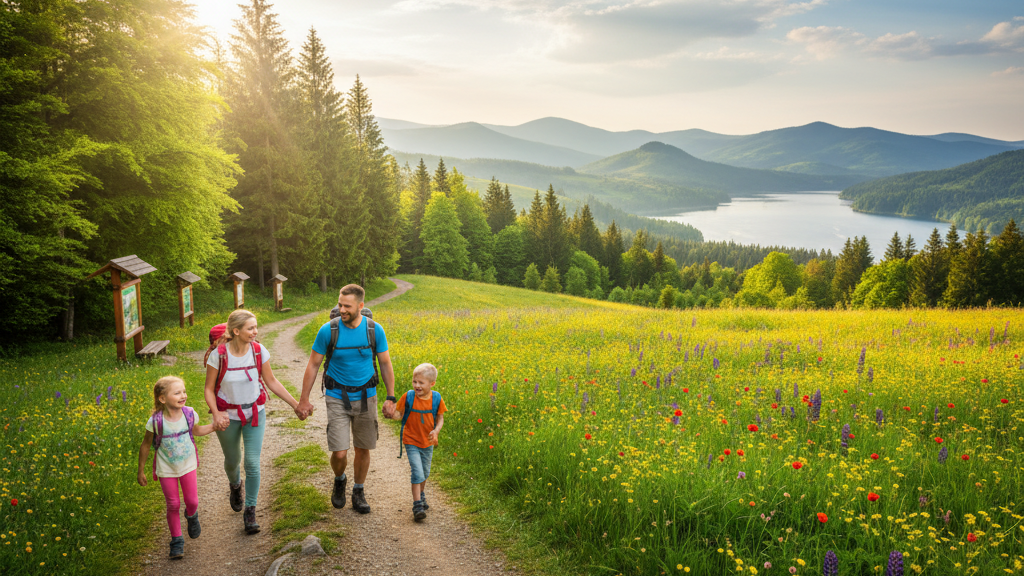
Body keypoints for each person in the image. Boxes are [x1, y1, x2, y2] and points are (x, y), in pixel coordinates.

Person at [296, 284, 397, 514]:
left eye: (347, 306)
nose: (341, 309)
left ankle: (358, 490)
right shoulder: (328, 330)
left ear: (360, 306)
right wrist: (304, 399)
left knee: (363, 448)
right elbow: (313, 364)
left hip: (366, 395)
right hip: (336, 395)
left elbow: (385, 363)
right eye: (340, 304)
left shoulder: (374, 330)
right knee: (339, 451)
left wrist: (390, 397)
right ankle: (339, 478)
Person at [205, 309, 305, 534]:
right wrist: (215, 413)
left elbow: (272, 382)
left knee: (251, 462)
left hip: (255, 413)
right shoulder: (219, 355)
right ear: (236, 331)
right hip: (227, 416)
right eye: (250, 328)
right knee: (233, 461)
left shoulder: (259, 351)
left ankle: (250, 510)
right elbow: (208, 389)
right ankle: (235, 485)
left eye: (256, 327)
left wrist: (296, 405)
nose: (255, 332)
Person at [137, 376, 215, 559]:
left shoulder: (189, 414)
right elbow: (146, 445)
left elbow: (196, 431)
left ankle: (191, 515)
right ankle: (177, 540)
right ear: (162, 399)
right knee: (173, 504)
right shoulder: (156, 421)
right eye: (177, 393)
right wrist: (140, 471)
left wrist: (214, 426)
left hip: (188, 465)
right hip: (166, 468)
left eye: (184, 391)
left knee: (192, 501)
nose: (183, 395)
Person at [387, 363, 446, 520]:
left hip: (427, 442)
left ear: (431, 383)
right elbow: (399, 415)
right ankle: (417, 504)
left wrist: (436, 431)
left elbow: (440, 418)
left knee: (425, 472)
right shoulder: (408, 397)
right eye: (415, 382)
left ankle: (421, 494)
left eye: (421, 383)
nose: (417, 385)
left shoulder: (436, 398)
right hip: (411, 440)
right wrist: (391, 414)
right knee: (417, 471)